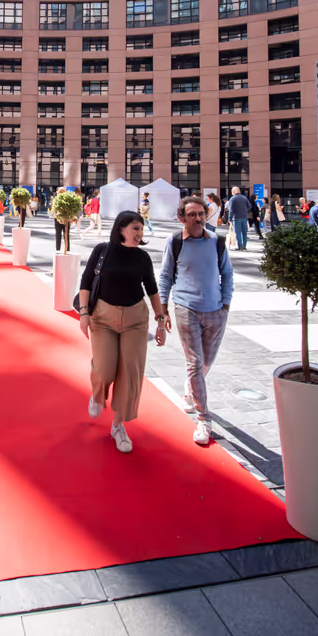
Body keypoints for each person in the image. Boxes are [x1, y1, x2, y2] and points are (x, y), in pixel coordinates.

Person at [78, 211, 166, 453]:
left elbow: (153, 290)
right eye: (135, 228)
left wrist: (160, 322)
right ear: (121, 229)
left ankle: (118, 426)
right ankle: (98, 394)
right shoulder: (102, 250)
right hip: (103, 317)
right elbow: (85, 283)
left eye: (141, 229)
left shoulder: (142, 258)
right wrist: (84, 313)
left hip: (136, 320)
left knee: (130, 372)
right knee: (105, 369)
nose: (140, 233)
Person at [158, 196, 234, 446]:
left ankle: (191, 390)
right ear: (182, 218)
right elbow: (166, 276)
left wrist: (225, 306)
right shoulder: (175, 242)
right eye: (192, 214)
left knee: (205, 364)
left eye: (201, 213)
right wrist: (164, 309)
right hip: (185, 308)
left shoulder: (217, 241)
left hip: (215, 311)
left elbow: (227, 274)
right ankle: (204, 418)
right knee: (194, 363)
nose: (198, 218)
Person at [227, 186, 251, 251]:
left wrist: (230, 219)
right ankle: (244, 245)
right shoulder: (244, 198)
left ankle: (240, 246)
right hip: (244, 216)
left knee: (238, 233)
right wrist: (244, 209)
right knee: (244, 232)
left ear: (233, 192)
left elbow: (231, 210)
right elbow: (249, 206)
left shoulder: (232, 199)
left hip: (236, 217)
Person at [53, 186, 70, 252]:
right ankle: (67, 249)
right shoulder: (68, 199)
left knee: (58, 234)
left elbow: (54, 210)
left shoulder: (56, 199)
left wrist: (57, 217)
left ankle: (58, 249)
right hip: (65, 219)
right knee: (66, 235)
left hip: (59, 219)